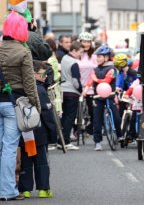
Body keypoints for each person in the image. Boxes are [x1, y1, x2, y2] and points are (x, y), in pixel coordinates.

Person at [0, 12, 40, 201]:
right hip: (13, 103)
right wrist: (36, 106)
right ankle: (7, 190)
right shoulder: (23, 51)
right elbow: (30, 83)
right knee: (9, 147)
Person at [19, 61, 56, 199]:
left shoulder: (21, 87)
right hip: (40, 131)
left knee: (26, 160)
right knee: (41, 161)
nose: (46, 77)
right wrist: (53, 134)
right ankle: (43, 189)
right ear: (34, 73)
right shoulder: (40, 90)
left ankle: (25, 190)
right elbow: (47, 114)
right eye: (43, 74)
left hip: (25, 130)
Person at [83, 45, 122, 151]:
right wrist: (85, 90)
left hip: (110, 95)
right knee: (97, 120)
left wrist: (95, 78)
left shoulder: (113, 69)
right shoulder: (95, 69)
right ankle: (97, 142)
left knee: (116, 117)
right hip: (97, 96)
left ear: (107, 57)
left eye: (100, 56)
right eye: (97, 57)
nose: (98, 59)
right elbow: (90, 82)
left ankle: (119, 135)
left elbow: (107, 81)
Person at [59, 41, 84, 151]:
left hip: (63, 90)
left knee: (64, 117)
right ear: (74, 51)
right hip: (72, 92)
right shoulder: (74, 63)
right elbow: (75, 81)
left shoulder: (64, 58)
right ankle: (66, 141)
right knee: (70, 117)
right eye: (80, 52)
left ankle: (61, 141)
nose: (81, 55)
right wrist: (81, 89)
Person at [77, 32, 97, 135]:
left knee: (93, 110)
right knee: (76, 110)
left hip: (90, 87)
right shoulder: (76, 55)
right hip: (78, 86)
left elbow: (96, 70)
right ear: (80, 42)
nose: (86, 44)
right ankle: (76, 129)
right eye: (84, 41)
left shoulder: (94, 56)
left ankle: (90, 128)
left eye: (88, 42)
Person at [114, 53, 138, 142]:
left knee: (134, 115)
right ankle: (121, 132)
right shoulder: (120, 73)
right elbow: (118, 84)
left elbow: (137, 83)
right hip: (124, 94)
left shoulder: (133, 73)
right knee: (121, 112)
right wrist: (117, 89)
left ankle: (131, 134)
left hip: (134, 95)